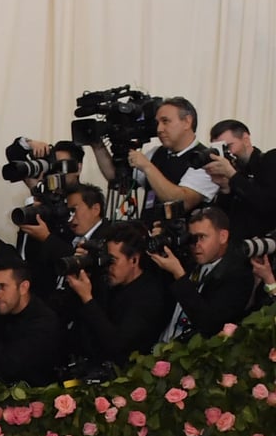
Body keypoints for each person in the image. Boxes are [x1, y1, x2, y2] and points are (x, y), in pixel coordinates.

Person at [90, 96, 218, 214]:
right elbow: (120, 181)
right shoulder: (156, 153)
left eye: (165, 121)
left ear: (187, 122)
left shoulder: (205, 159)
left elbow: (181, 201)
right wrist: (98, 147)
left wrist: (147, 167)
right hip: (147, 233)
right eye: (158, 123)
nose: (159, 129)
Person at [66, 222, 170, 366]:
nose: (108, 267)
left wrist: (87, 298)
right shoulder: (109, 282)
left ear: (134, 260)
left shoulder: (149, 296)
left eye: (112, 260)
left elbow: (118, 345)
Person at [152, 207, 254, 342]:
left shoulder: (238, 275)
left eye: (202, 237)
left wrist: (179, 275)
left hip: (193, 356)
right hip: (161, 344)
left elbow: (209, 324)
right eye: (192, 238)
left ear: (223, 236)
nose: (195, 245)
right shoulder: (188, 260)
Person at [204, 119, 276, 242]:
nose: (228, 153)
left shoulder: (269, 160)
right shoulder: (234, 172)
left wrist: (232, 175)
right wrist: (225, 188)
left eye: (228, 146)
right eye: (220, 149)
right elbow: (223, 221)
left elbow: (267, 203)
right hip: (235, 245)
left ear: (246, 139)